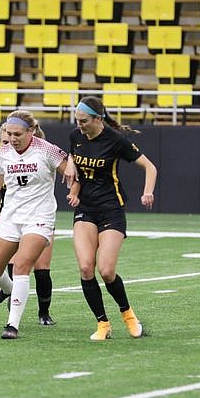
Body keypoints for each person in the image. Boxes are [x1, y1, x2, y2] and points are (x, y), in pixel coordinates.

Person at [0, 110, 73, 339]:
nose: (12, 138)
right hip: (11, 217)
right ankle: (10, 290)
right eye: (8, 133)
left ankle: (12, 325)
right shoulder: (3, 154)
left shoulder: (46, 149)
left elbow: (71, 171)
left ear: (31, 132)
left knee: (21, 265)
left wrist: (75, 189)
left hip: (39, 217)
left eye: (17, 134)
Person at [66, 95, 158, 341]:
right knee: (86, 267)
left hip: (111, 209)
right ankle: (102, 325)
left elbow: (150, 167)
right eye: (77, 120)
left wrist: (147, 191)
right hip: (85, 209)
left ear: (98, 118)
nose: (79, 125)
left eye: (84, 121)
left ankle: (128, 315)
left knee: (106, 270)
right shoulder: (76, 136)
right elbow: (74, 160)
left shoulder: (116, 141)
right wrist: (71, 168)